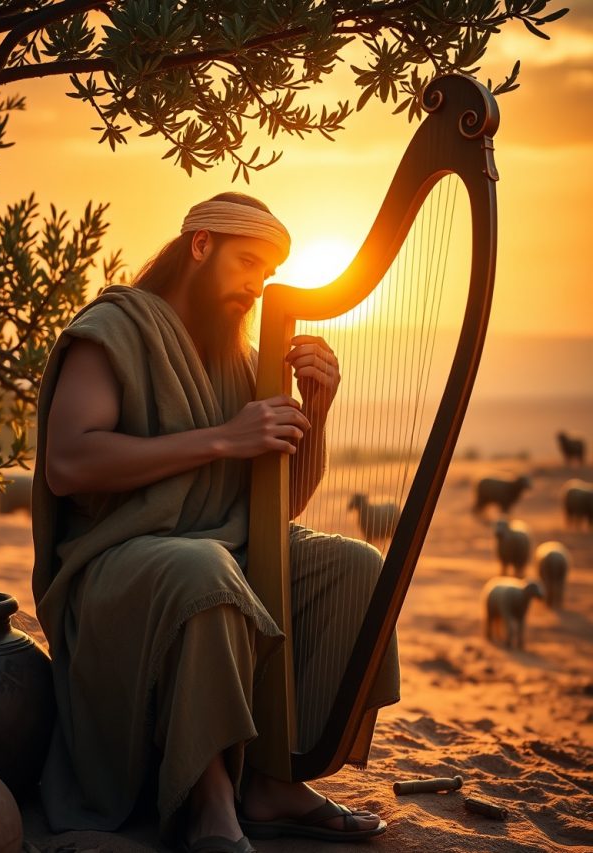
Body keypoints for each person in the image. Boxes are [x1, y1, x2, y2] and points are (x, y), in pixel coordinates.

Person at [32, 191, 400, 852]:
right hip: (116, 570)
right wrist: (225, 438)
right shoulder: (116, 327)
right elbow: (67, 461)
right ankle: (209, 800)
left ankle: (275, 779)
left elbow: (276, 509)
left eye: (268, 274)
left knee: (359, 567)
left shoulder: (240, 355)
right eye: (249, 262)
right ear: (201, 244)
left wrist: (315, 407)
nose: (257, 286)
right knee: (207, 570)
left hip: (217, 554)